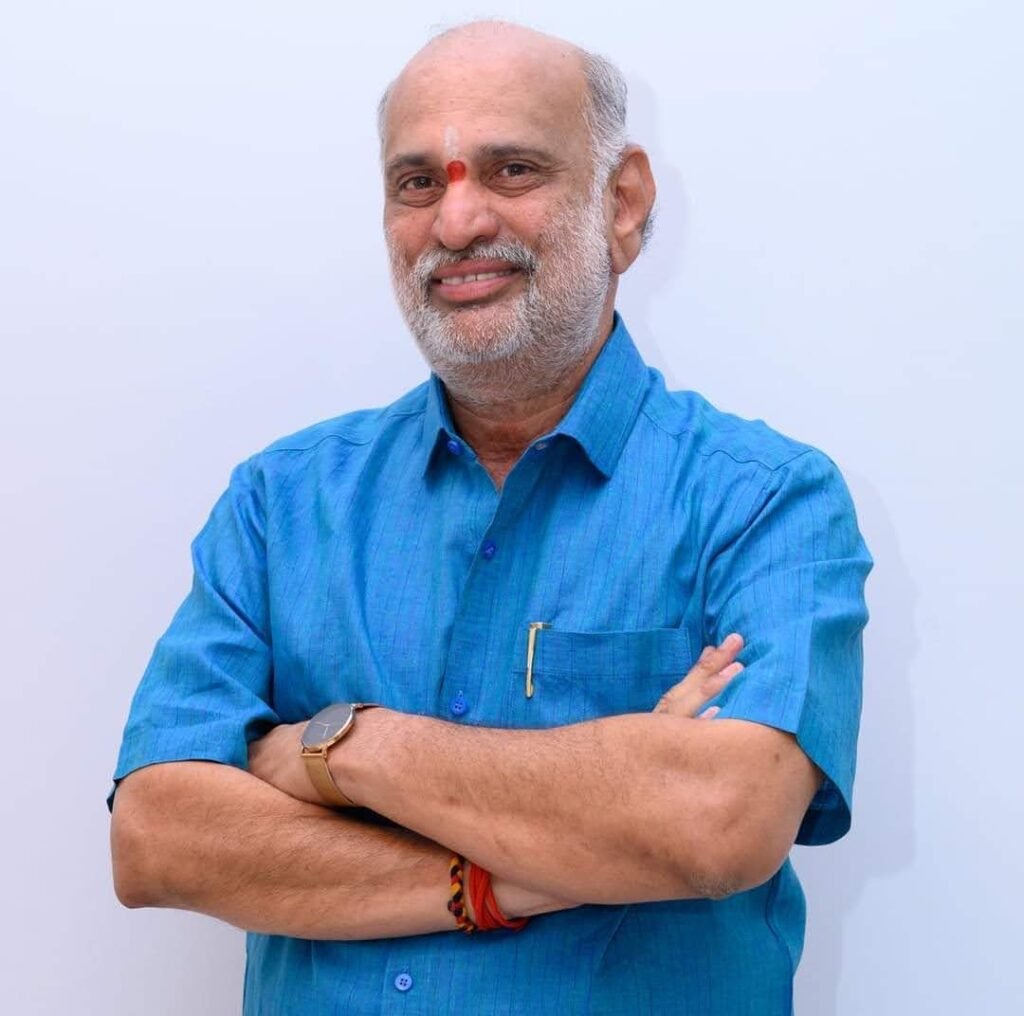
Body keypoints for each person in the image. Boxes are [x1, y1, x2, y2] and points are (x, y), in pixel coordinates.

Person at [109, 19, 872, 1015]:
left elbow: (719, 820)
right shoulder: (279, 503)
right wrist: (537, 867)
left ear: (623, 202)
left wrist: (340, 748)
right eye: (417, 182)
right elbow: (157, 837)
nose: (458, 220)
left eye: (513, 169)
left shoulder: (767, 501)